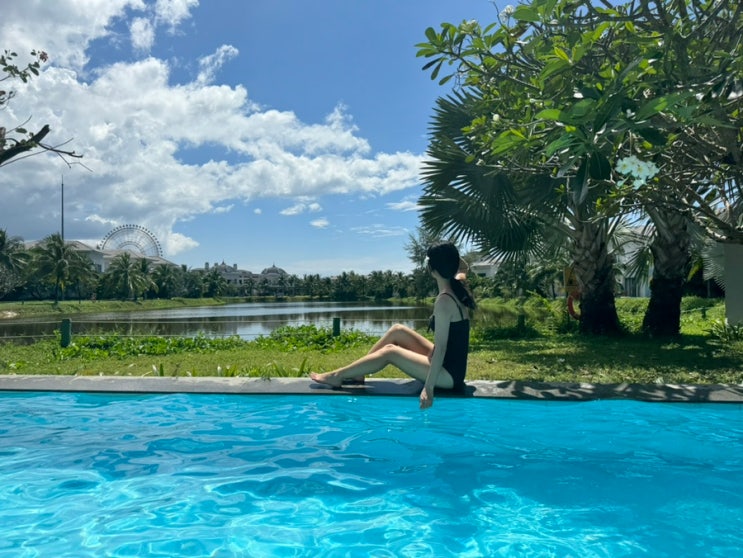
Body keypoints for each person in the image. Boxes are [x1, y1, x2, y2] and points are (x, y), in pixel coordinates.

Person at [310, 242, 475, 409]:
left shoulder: (444, 301)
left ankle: (337, 376)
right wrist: (448, 254)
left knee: (390, 352)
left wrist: (428, 387)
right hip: (447, 363)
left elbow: (441, 349)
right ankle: (358, 374)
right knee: (397, 330)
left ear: (432, 269)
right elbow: (463, 266)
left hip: (448, 376)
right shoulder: (457, 282)